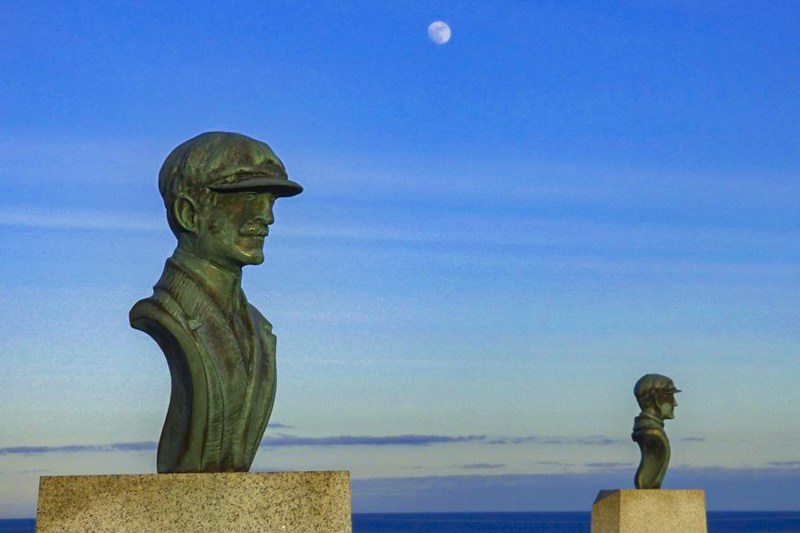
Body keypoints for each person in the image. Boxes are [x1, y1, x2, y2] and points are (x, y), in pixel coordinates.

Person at [130, 132, 302, 473]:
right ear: (188, 214)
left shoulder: (258, 328)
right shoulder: (166, 314)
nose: (268, 217)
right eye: (248, 197)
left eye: (270, 200)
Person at [631, 374, 680, 489]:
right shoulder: (653, 433)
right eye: (670, 396)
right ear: (657, 399)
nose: (675, 403)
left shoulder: (645, 428)